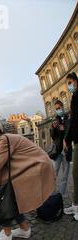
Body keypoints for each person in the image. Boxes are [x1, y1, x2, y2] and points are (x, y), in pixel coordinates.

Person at [64, 71, 78, 220]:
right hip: (76, 140)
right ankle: (75, 203)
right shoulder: (74, 97)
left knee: (76, 172)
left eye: (69, 83)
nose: (68, 86)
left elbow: (74, 120)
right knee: (76, 173)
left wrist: (67, 138)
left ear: (74, 81)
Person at [50, 100, 71, 196]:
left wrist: (64, 128)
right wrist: (54, 128)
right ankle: (51, 192)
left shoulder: (68, 118)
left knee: (65, 175)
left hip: (66, 150)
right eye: (56, 109)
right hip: (58, 151)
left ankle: (61, 194)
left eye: (59, 108)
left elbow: (71, 132)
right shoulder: (55, 119)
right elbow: (53, 136)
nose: (58, 110)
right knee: (54, 172)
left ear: (62, 107)